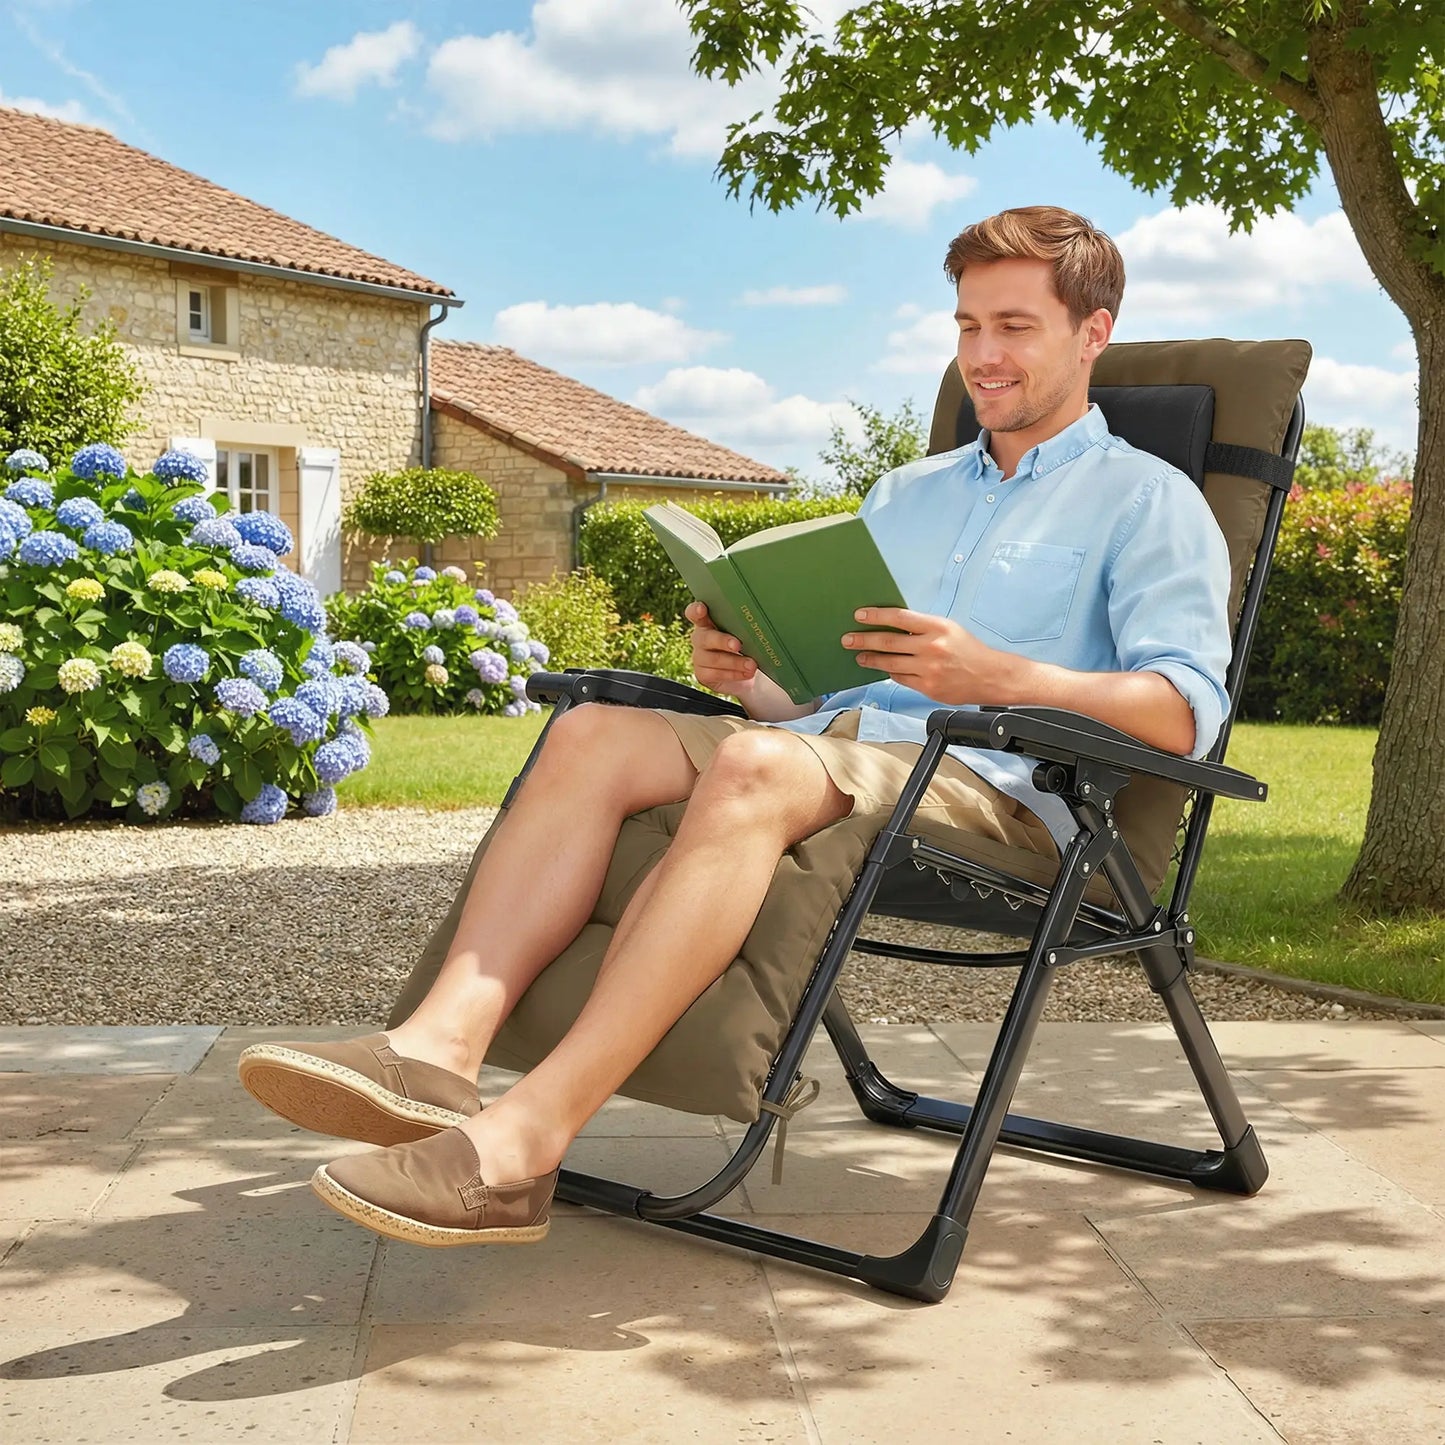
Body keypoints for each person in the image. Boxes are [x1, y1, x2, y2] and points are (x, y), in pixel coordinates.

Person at [238, 205, 1232, 1248]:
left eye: (1014, 327)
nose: (981, 355)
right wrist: (752, 673)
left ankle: (521, 1142)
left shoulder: (1146, 501)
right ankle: (435, 1049)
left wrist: (1000, 674)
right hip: (837, 755)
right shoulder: (906, 494)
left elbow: (1184, 713)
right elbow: (823, 695)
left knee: (760, 768)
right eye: (967, 325)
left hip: (1003, 790)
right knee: (594, 733)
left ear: (1092, 332)